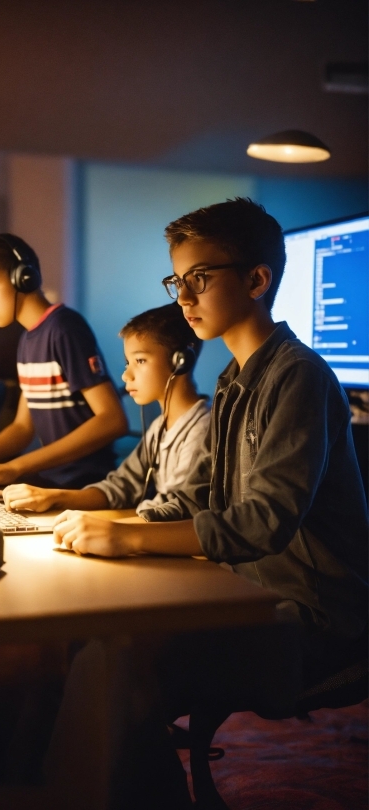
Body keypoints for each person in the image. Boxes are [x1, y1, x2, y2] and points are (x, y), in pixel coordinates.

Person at [53, 197, 368, 689]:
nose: (182, 297)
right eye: (176, 281)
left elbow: (262, 521)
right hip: (244, 586)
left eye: (199, 278)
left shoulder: (299, 376)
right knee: (89, 628)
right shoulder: (232, 379)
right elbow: (212, 497)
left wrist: (128, 538)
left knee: (121, 651)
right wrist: (117, 522)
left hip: (312, 616)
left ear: (256, 281)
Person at [0, 234, 128, 489]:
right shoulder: (28, 341)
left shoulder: (64, 328)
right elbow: (22, 427)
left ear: (24, 277)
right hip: (51, 485)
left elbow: (112, 420)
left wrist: (15, 467)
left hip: (87, 489)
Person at [1, 302, 210, 514]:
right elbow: (121, 486)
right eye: (128, 363)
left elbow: (176, 511)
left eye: (140, 360)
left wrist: (110, 529)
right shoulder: (159, 428)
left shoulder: (201, 431)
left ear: (180, 361)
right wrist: (54, 497)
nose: (126, 375)